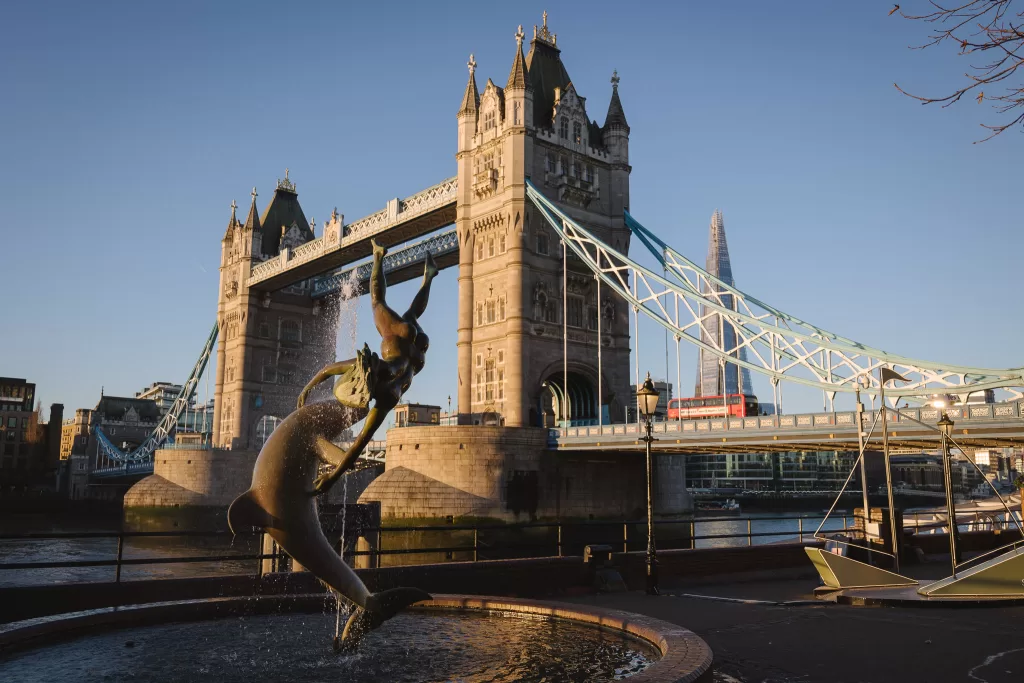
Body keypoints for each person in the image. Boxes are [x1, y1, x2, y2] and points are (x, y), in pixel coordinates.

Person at [297, 238, 437, 495]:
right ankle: (379, 256)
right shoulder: (373, 366)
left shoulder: (386, 397)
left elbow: (358, 444)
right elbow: (329, 369)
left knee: (404, 311)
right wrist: (308, 387)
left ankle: (423, 276)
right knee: (381, 303)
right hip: (400, 341)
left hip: (418, 359)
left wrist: (333, 477)